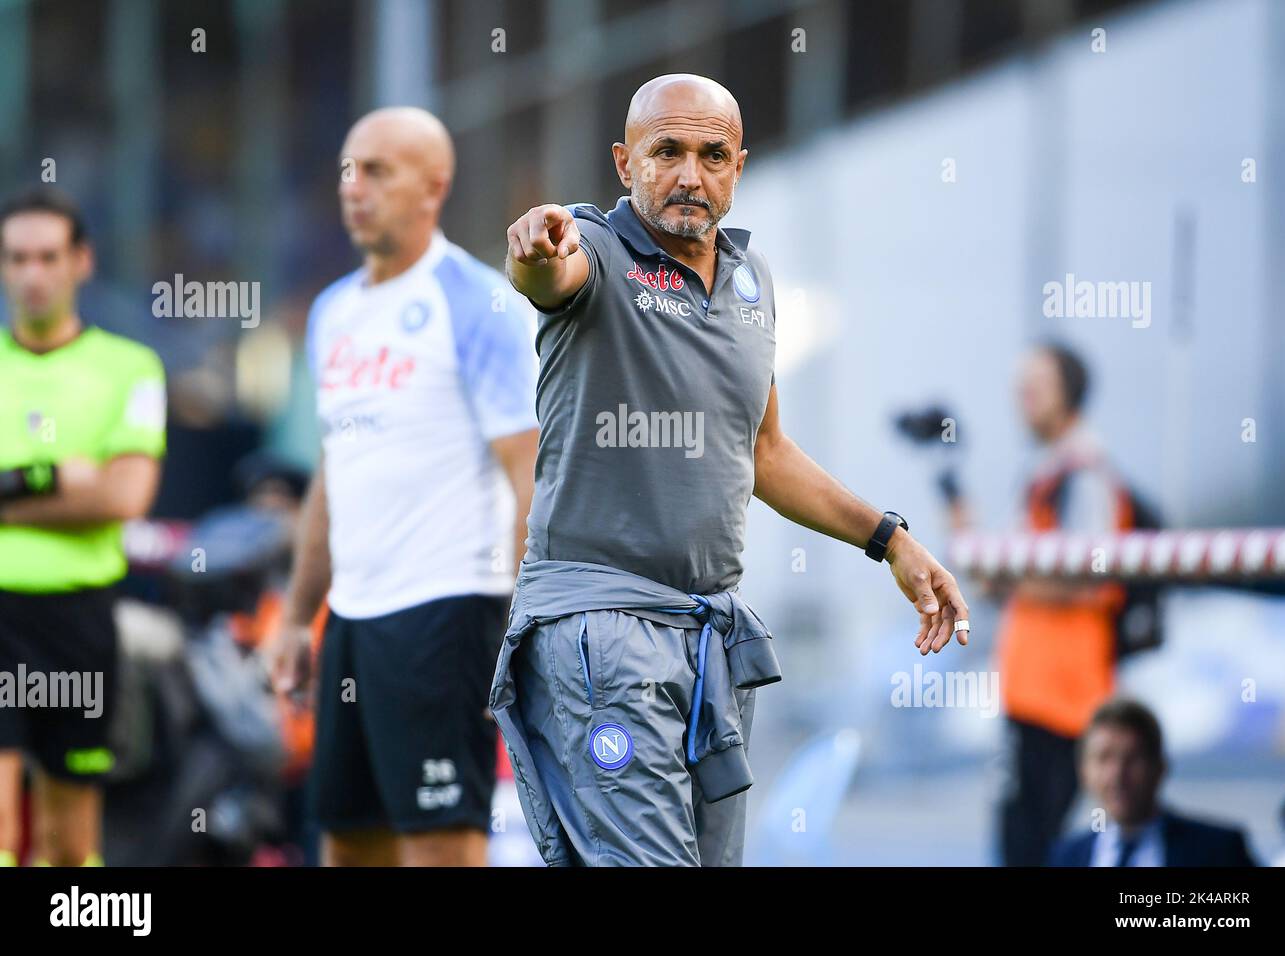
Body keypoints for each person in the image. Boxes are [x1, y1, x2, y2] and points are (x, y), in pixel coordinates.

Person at [491, 74, 972, 867]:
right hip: (602, 632)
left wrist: (892, 540)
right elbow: (549, 272)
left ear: (739, 165)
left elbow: (765, 452)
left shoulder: (754, 283)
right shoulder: (595, 248)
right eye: (666, 151)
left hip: (708, 635)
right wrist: (535, 251)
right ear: (624, 163)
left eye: (713, 154)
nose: (690, 174)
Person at [272, 108, 539, 867]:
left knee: (440, 848)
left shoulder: (475, 300)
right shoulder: (333, 312)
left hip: (447, 614)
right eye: (347, 170)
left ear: (435, 185)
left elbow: (531, 469)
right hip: (353, 621)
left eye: (379, 171)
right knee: (348, 846)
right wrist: (297, 617)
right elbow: (334, 471)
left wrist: (526, 622)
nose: (355, 188)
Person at [0, 187, 167, 866]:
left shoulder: (129, 367)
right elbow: (89, 489)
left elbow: (125, 495)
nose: (32, 275)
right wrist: (48, 477)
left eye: (47, 257)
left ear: (81, 262)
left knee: (69, 848)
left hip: (81, 619)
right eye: (16, 259)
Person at [988, 343, 1135, 866]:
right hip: (1030, 691)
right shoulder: (1042, 471)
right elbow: (992, 575)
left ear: (1068, 395)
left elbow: (1093, 577)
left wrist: (1011, 580)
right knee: (1019, 840)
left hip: (1066, 696)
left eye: (1036, 389)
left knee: (1041, 844)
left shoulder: (1084, 471)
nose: (1023, 401)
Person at [1050, 698, 1256, 866]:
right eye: (1104, 758)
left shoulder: (1218, 851)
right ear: (1083, 771)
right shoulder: (1065, 857)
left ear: (1160, 767)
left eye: (1132, 758)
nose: (1117, 774)